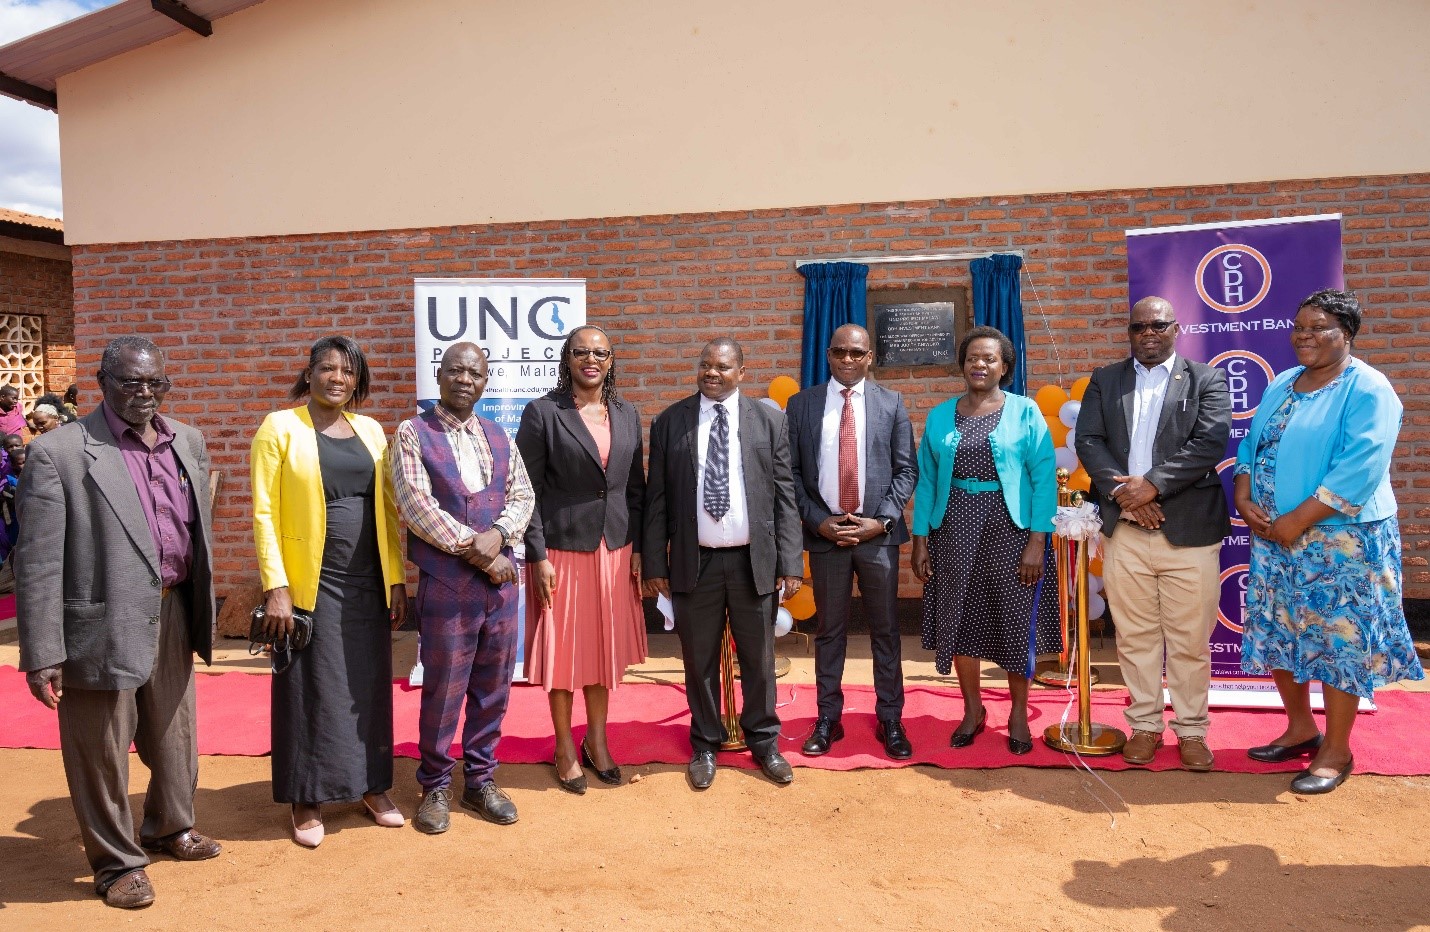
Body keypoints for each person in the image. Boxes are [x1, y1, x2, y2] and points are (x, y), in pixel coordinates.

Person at [15, 336, 220, 909]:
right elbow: (37, 562)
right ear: (102, 381)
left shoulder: (188, 441)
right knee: (101, 747)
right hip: (98, 619)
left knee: (174, 732)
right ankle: (116, 862)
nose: (146, 394)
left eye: (157, 383)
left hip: (174, 607)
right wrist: (43, 652)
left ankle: (169, 825)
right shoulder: (61, 452)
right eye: (132, 382)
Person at [1234, 289, 1423, 794]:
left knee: (1339, 638)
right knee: (1283, 630)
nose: (1305, 336)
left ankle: (1336, 750)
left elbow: (1360, 467)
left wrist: (1299, 517)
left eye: (1318, 327)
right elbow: (1253, 443)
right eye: (1299, 326)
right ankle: (1300, 727)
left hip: (1342, 541)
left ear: (1348, 334)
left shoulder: (1369, 390)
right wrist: (1243, 489)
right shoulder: (1282, 383)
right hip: (1275, 536)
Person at [250, 336, 408, 847]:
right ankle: (307, 797)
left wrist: (396, 577)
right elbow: (264, 512)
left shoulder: (371, 431)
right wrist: (276, 585)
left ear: (358, 380)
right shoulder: (280, 427)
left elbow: (386, 509)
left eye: (348, 371)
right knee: (307, 688)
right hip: (308, 583)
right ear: (310, 373)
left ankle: (372, 786)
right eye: (328, 368)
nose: (337, 378)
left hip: (366, 581)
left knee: (368, 685)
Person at [1075, 296, 1231, 771]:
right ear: (1130, 331)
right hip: (1124, 530)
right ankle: (1144, 725)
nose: (1148, 333)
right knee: (1136, 636)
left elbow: (1209, 443)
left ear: (1175, 328)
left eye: (1158, 325)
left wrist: (1152, 487)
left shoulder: (1206, 378)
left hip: (1188, 530)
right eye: (1139, 326)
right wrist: (1128, 497)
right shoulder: (1106, 379)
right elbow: (1088, 440)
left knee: (1188, 640)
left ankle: (1191, 731)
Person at [643, 337, 804, 789]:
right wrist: (656, 563)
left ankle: (765, 742)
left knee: (760, 658)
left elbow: (784, 496)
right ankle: (705, 743)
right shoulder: (671, 421)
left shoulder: (767, 420)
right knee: (699, 659)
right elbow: (657, 499)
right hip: (696, 564)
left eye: (723, 366)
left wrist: (791, 561)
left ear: (742, 371)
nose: (712, 373)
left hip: (755, 560)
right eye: (705, 364)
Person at [391, 342, 534, 832]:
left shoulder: (499, 435)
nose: (464, 379)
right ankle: (433, 785)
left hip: (500, 588)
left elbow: (523, 494)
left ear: (486, 380)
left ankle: (480, 782)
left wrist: (497, 540)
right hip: (448, 587)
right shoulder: (413, 433)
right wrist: (481, 550)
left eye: (474, 372)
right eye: (455, 371)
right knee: (443, 689)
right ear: (440, 375)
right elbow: (416, 506)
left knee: (493, 689)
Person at [911, 326, 1059, 754]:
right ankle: (973, 710)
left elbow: (1043, 478)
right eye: (973, 357)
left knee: (1014, 619)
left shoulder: (1025, 411)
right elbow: (926, 481)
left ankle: (1017, 713)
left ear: (1005, 367)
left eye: (989, 359)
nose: (980, 364)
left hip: (1010, 528)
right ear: (962, 365)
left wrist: (1038, 540)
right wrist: (920, 539)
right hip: (953, 526)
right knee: (959, 617)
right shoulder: (940, 415)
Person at [516, 325, 646, 793]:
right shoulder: (543, 413)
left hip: (615, 548)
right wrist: (536, 556)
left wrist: (640, 549)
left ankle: (597, 740)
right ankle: (564, 747)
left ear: (611, 361)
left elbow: (636, 489)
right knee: (564, 652)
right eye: (581, 352)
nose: (591, 360)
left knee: (601, 650)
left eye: (600, 353)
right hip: (561, 550)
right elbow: (524, 490)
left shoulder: (627, 414)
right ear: (567, 359)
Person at [786, 324, 918, 759]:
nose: (847, 359)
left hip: (877, 538)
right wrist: (819, 522)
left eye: (856, 353)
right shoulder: (801, 405)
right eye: (839, 351)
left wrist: (879, 522)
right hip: (825, 537)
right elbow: (790, 476)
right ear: (828, 354)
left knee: (885, 630)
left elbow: (906, 471)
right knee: (830, 631)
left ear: (869, 357)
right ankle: (828, 719)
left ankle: (891, 718)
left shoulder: (892, 403)